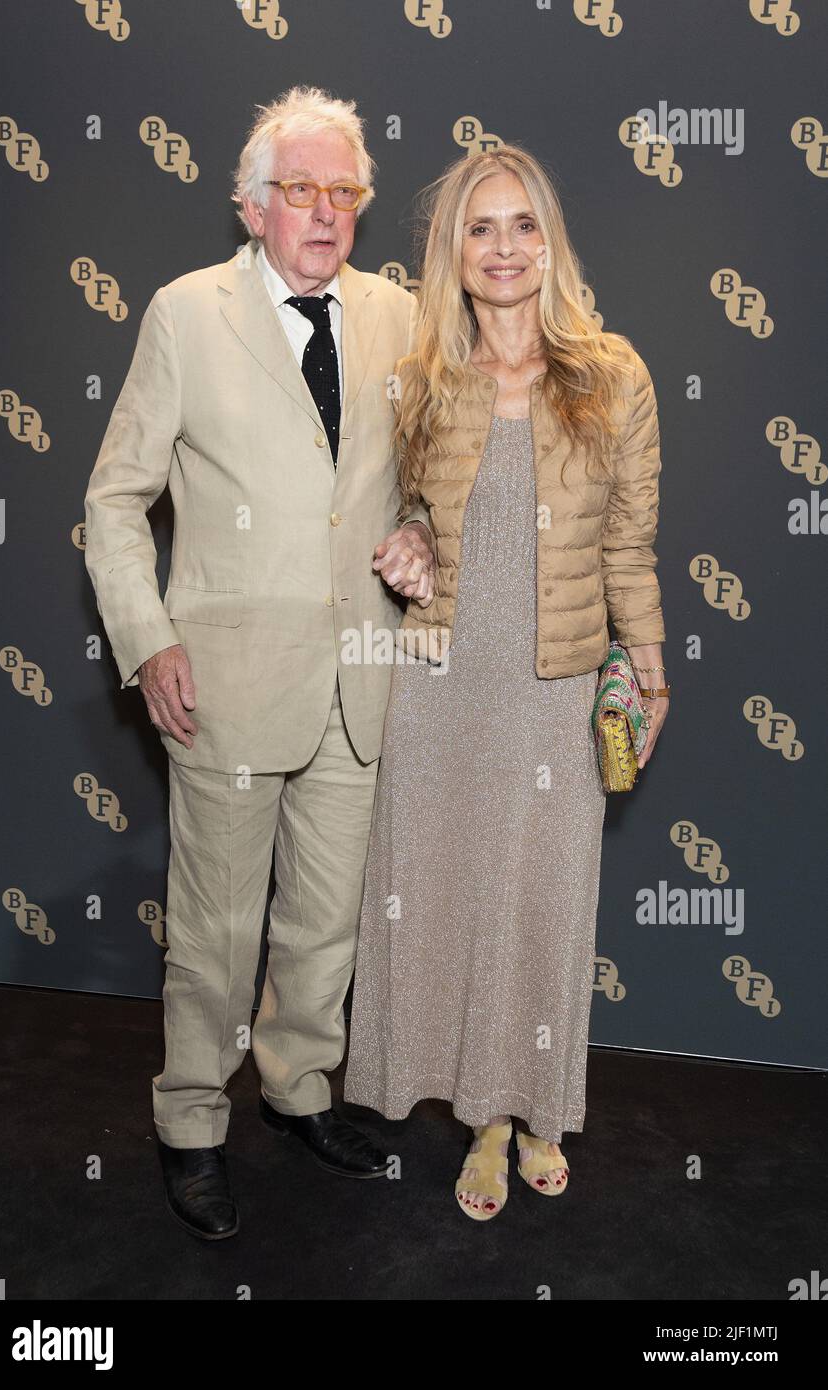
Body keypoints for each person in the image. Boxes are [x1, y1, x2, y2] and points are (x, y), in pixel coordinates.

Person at [83, 86, 436, 1240]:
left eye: (343, 191)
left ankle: (295, 1089)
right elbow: (113, 499)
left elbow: (435, 471)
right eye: (299, 190)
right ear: (250, 205)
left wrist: (425, 530)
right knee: (217, 930)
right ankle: (190, 1120)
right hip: (224, 685)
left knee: (324, 925)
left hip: (358, 679)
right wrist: (148, 639)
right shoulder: (186, 315)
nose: (324, 212)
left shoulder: (398, 315)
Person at [344, 143, 670, 1220]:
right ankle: (482, 1116)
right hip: (440, 681)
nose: (502, 248)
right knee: (448, 895)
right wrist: (406, 548)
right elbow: (402, 517)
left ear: (550, 242)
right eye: (478, 228)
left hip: (552, 684)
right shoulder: (422, 378)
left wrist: (651, 671)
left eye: (521, 224)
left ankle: (534, 1104)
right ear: (451, 250)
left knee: (539, 899)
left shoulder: (612, 375)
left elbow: (630, 548)